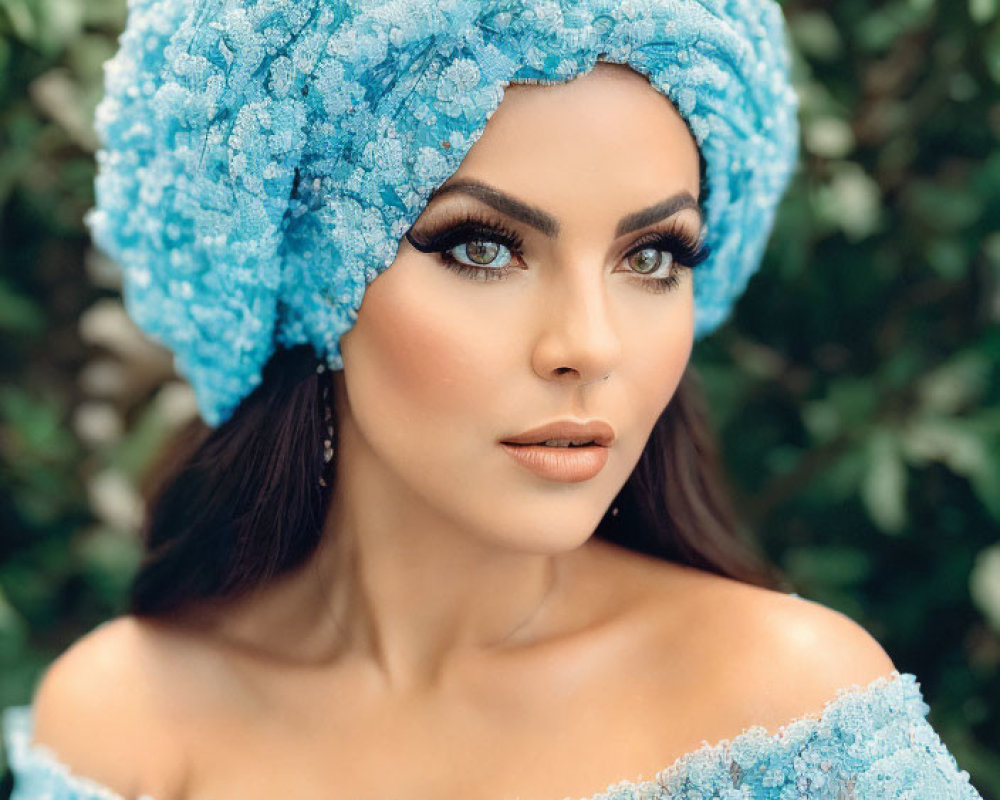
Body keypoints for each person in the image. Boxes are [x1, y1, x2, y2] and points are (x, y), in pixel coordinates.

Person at [0, 1, 985, 799]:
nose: (589, 346)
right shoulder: (117, 721)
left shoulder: (789, 710)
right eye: (481, 246)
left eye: (652, 255)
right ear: (303, 276)